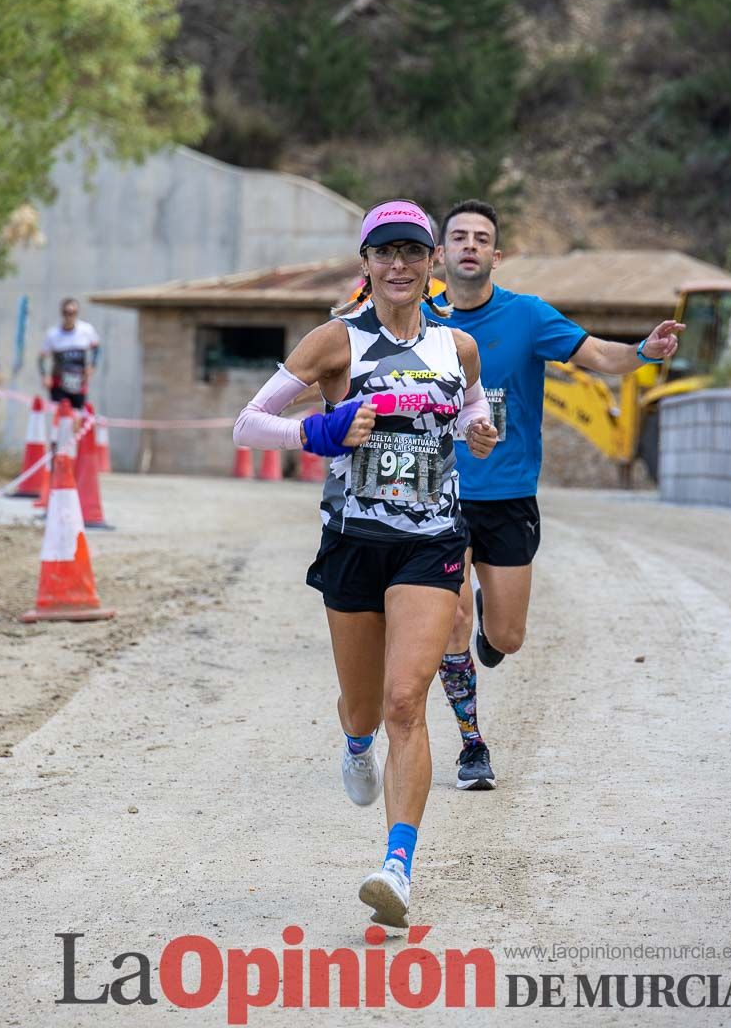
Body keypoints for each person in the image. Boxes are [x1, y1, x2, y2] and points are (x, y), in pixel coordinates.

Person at [233, 199, 498, 927]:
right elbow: (248, 423)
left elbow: (473, 408)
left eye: (413, 252)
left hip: (432, 543)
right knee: (362, 709)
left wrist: (479, 431)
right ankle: (354, 745)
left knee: (405, 702)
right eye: (386, 253)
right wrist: (326, 427)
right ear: (367, 266)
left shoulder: (457, 348)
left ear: (432, 262)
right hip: (353, 542)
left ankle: (397, 868)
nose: (401, 265)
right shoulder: (335, 341)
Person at [426, 199, 684, 791]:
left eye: (481, 238)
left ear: (497, 254)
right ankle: (472, 746)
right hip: (437, 494)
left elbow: (598, 356)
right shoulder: (420, 321)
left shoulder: (529, 316)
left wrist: (643, 352)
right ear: (440, 253)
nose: (469, 245)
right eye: (458, 236)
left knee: (506, 639)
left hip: (509, 494)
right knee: (449, 623)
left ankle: (491, 626)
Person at [38, 298, 100, 410]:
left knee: (77, 418)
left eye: (73, 313)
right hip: (59, 384)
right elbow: (41, 357)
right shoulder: (53, 334)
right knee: (60, 418)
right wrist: (45, 376)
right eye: (66, 313)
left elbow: (97, 349)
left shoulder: (86, 330)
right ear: (62, 313)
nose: (69, 316)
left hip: (79, 383)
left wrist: (92, 365)